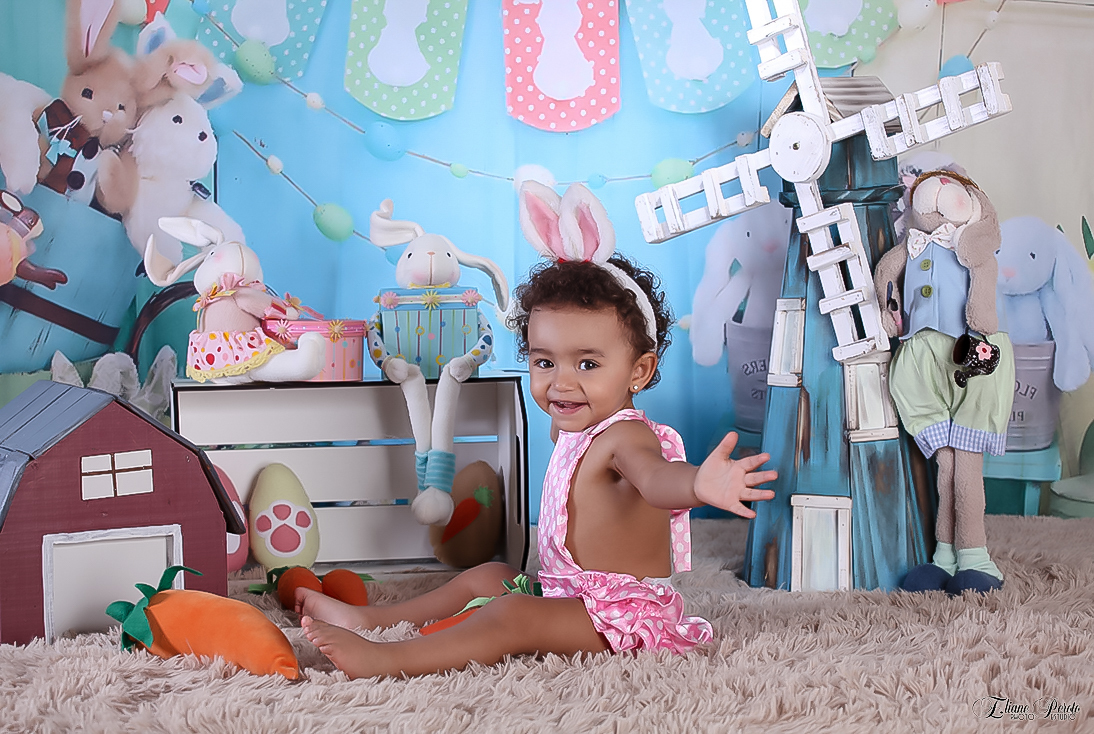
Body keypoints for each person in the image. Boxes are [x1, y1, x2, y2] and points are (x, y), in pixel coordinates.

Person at [298, 184, 777, 679]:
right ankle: (371, 619)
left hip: (620, 614)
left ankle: (387, 659)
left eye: (588, 364)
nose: (561, 383)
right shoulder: (575, 426)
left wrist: (698, 483)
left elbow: (656, 479)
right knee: (490, 577)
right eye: (545, 362)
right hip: (567, 591)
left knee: (513, 614)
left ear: (639, 371)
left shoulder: (626, 437)